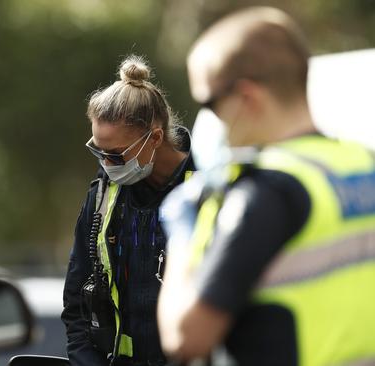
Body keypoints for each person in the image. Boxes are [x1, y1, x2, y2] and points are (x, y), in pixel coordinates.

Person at [157, 6, 375, 366]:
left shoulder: (265, 193)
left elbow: (185, 336)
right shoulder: (363, 164)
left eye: (209, 103)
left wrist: (181, 234)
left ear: (247, 97)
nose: (209, 118)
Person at [62, 55, 195, 366]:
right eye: (98, 151)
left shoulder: (213, 188)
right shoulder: (102, 198)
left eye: (116, 155)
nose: (106, 165)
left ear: (156, 137)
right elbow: (76, 306)